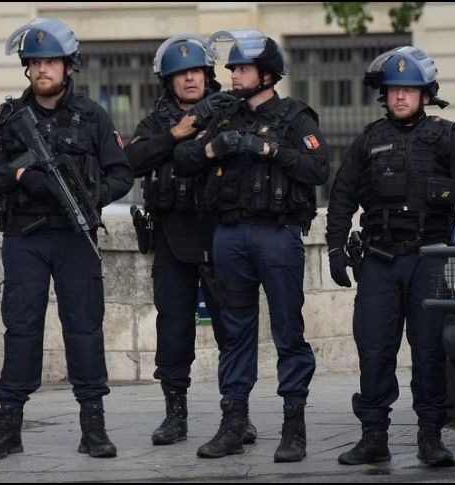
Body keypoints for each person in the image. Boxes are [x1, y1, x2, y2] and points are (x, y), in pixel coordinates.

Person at [0, 17, 133, 460]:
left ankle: (93, 426)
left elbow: (122, 173)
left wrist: (91, 195)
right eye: (35, 62)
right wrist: (20, 174)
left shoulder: (92, 117)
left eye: (52, 62)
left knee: (84, 328)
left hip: (74, 238)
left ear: (68, 68)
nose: (43, 70)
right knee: (21, 328)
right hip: (24, 238)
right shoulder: (9, 119)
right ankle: (9, 426)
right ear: (27, 69)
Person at [174, 29, 329, 463]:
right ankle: (233, 423)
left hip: (277, 236)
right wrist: (212, 150)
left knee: (287, 332)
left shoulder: (296, 117)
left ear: (267, 74)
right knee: (235, 333)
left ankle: (293, 427)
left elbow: (318, 168)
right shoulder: (224, 116)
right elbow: (183, 161)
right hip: (229, 237)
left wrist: (269, 149)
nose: (233, 75)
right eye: (234, 68)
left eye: (241, 68)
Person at [325, 46, 455, 466]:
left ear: (425, 94)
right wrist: (336, 249)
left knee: (429, 350)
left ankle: (430, 438)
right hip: (378, 260)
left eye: (408, 90)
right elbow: (341, 196)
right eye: (394, 90)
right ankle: (373, 437)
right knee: (374, 349)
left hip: (429, 261)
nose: (400, 97)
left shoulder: (448, 136)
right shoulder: (369, 141)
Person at [124, 34, 256, 447]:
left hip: (222, 235)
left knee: (231, 329)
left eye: (196, 71)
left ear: (207, 75)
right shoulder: (155, 122)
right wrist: (178, 132)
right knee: (174, 329)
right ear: (168, 81)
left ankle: (237, 415)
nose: (190, 80)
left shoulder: (230, 112)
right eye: (181, 74)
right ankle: (174, 415)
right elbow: (132, 160)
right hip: (171, 237)